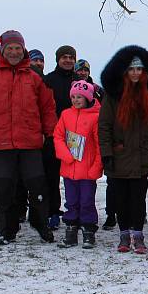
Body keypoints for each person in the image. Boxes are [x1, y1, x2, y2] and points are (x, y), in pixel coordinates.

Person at [0, 30, 57, 245]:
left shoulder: (35, 76)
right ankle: (8, 229)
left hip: (30, 142)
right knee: (4, 187)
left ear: (23, 50)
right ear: (2, 50)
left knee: (37, 185)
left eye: (18, 48)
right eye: (10, 48)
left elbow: (47, 108)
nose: (14, 52)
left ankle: (40, 223)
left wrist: (51, 134)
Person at [98, 46, 148, 254]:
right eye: (132, 69)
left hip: (141, 155)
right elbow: (104, 126)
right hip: (118, 155)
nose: (136, 74)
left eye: (139, 70)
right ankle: (124, 235)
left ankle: (139, 235)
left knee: (138, 198)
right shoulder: (113, 95)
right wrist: (106, 153)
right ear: (125, 71)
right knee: (120, 199)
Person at [53, 81, 102, 249]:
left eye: (79, 97)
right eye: (73, 97)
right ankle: (71, 231)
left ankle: (88, 231)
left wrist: (96, 166)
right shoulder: (66, 114)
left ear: (88, 97)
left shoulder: (96, 116)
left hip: (87, 170)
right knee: (71, 201)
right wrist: (65, 155)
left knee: (87, 201)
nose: (75, 100)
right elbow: (58, 136)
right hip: (69, 168)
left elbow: (99, 144)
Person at [43, 45, 78, 230]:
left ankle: (75, 211)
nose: (68, 60)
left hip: (76, 138)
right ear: (57, 59)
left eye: (71, 57)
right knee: (52, 177)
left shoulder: (80, 80)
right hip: (53, 136)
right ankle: (52, 212)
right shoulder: (48, 80)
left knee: (75, 177)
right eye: (64, 57)